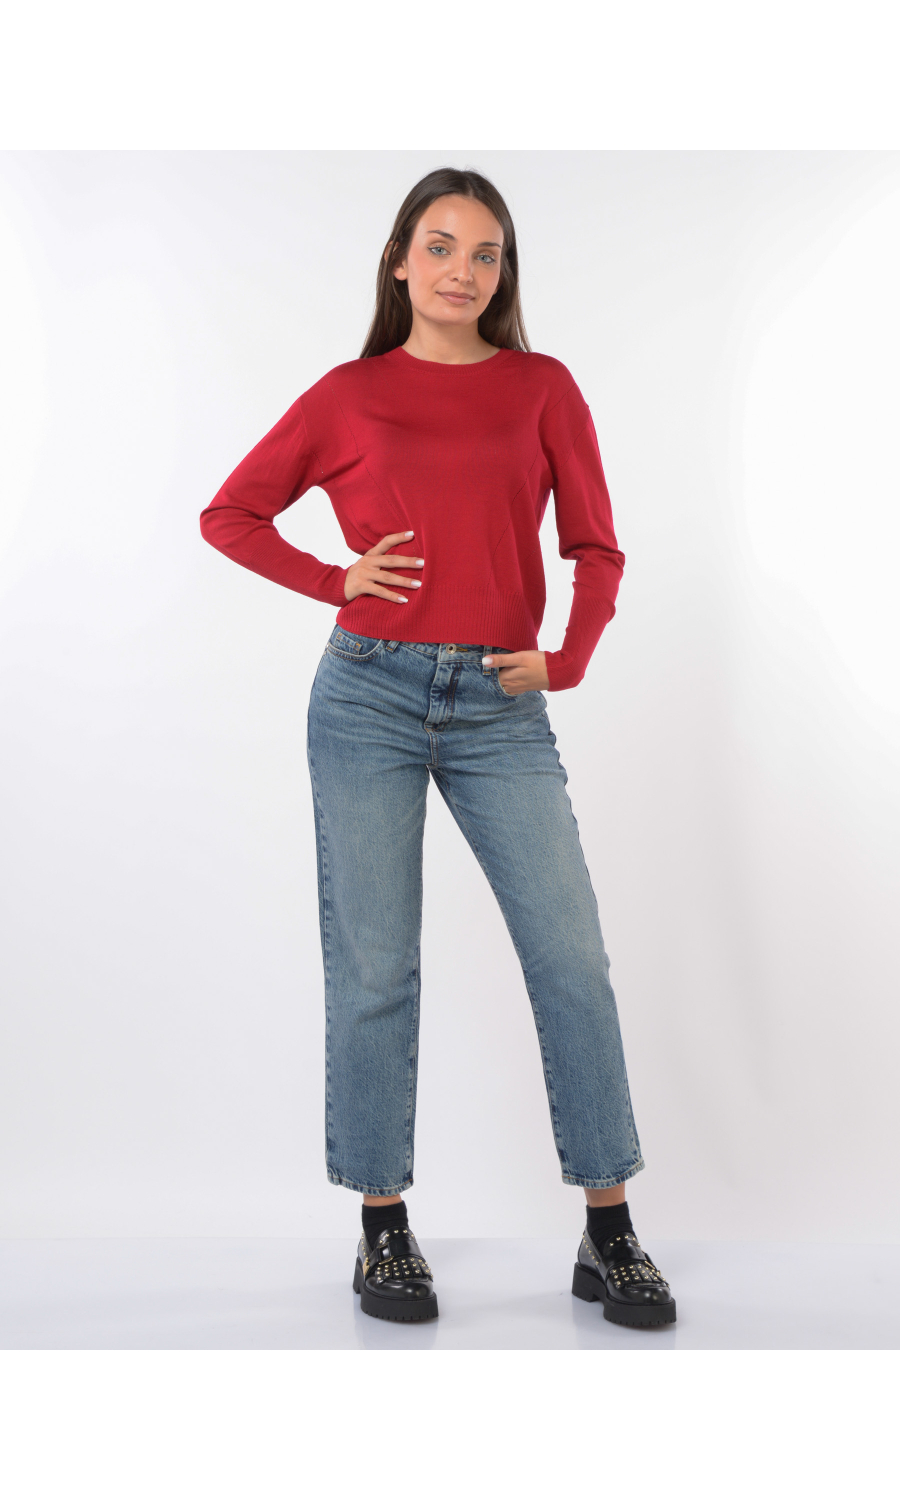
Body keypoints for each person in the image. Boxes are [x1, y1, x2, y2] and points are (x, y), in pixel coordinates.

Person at [200, 167, 676, 1330]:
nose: (464, 270)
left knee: (572, 960)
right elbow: (230, 513)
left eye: (487, 252)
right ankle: (383, 1228)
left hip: (502, 705)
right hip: (365, 693)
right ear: (399, 261)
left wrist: (568, 658)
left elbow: (597, 546)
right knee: (376, 969)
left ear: (504, 274)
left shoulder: (541, 387)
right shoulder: (349, 394)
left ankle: (609, 1227)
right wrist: (334, 580)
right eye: (442, 246)